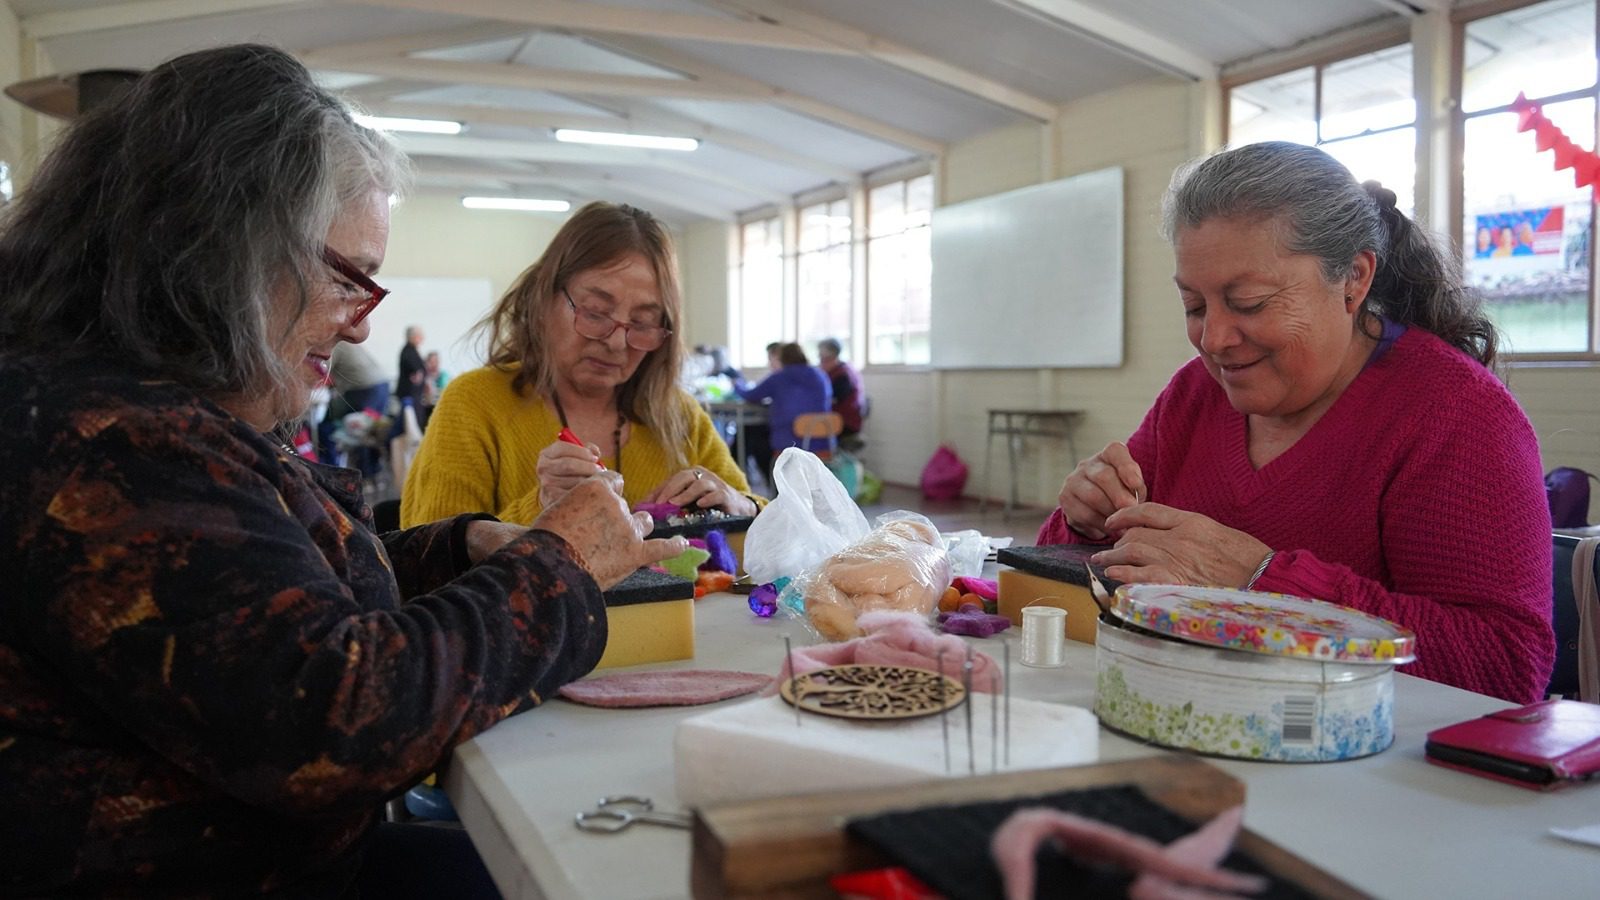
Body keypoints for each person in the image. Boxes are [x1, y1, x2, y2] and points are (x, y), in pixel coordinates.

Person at [0, 44, 685, 897]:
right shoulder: (110, 444)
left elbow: (251, 605)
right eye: (347, 277)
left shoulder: (128, 406)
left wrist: (462, 549)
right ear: (223, 251)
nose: (361, 325)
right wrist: (558, 565)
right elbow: (335, 720)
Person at [1038, 141, 1553, 704]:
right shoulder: (1195, 395)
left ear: (1353, 279)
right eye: (1194, 306)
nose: (1214, 340)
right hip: (1180, 721)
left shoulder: (1455, 415)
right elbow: (1067, 577)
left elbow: (1507, 664)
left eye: (1251, 303)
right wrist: (1083, 524)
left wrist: (1260, 583)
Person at [402, 201, 762, 526]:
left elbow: (768, 531)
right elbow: (427, 562)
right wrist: (542, 508)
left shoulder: (678, 417)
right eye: (595, 312)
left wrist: (740, 507)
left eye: (641, 324)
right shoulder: (475, 405)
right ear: (543, 298)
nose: (616, 341)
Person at [723, 342, 833, 488]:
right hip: (822, 439)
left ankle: (767, 490)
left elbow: (751, 395)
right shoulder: (820, 375)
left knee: (752, 436)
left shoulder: (780, 377)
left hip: (790, 441)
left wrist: (736, 384)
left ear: (782, 358)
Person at [817, 337, 867, 446]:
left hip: (844, 423)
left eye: (822, 358)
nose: (820, 363)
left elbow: (830, 400)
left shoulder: (842, 376)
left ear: (832, 357)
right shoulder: (841, 370)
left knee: (805, 430)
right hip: (842, 420)